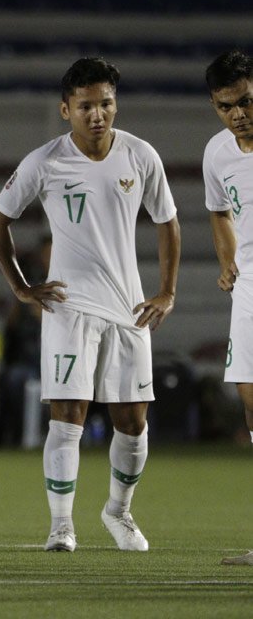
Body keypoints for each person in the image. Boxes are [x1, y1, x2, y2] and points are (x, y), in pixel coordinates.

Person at [0, 57, 180, 553]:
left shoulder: (140, 156)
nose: (98, 114)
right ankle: (61, 525)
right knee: (67, 416)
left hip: (128, 306)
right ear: (66, 108)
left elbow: (168, 221)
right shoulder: (44, 161)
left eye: (106, 103)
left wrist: (167, 291)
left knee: (133, 424)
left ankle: (118, 511)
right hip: (68, 306)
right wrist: (21, 286)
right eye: (86, 106)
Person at [201, 48, 253, 567]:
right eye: (227, 105)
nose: (239, 113)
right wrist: (228, 262)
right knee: (251, 403)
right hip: (252, 290)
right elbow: (219, 210)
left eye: (246, 101)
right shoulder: (217, 152)